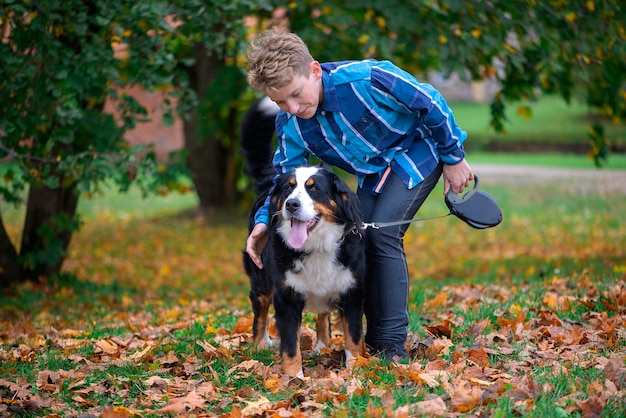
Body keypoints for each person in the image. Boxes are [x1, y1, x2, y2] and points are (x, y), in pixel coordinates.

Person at [244, 28, 474, 361]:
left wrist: (454, 156)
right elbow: (285, 181)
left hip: (420, 150)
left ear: (315, 71)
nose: (291, 107)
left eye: (295, 94)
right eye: (280, 102)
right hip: (374, 173)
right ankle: (370, 340)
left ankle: (391, 346)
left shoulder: (367, 79)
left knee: (384, 234)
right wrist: (264, 221)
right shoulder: (291, 123)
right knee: (357, 237)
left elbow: (429, 101)